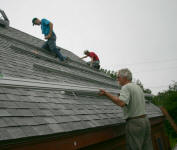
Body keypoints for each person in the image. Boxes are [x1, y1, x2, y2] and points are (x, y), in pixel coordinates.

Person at [99, 68, 153, 150]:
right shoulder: (137, 87)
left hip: (135, 123)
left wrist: (106, 94)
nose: (117, 79)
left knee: (134, 147)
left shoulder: (126, 87)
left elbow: (121, 102)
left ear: (124, 78)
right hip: (145, 121)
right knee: (146, 147)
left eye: (118, 77)